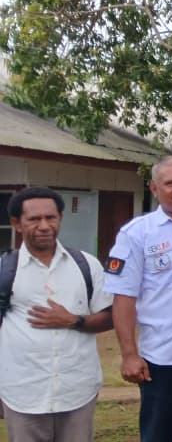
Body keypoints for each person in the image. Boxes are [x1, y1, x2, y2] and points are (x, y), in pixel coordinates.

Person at [104, 155, 172, 442]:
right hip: (161, 360)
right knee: (157, 434)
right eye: (171, 183)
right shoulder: (137, 234)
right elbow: (124, 298)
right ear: (155, 189)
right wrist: (129, 354)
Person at [0, 187, 113, 442]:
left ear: (60, 218)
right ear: (16, 224)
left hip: (77, 391)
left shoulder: (86, 265)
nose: (44, 226)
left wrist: (74, 320)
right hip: (21, 392)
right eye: (34, 219)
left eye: (50, 218)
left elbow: (110, 316)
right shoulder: (5, 269)